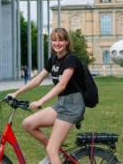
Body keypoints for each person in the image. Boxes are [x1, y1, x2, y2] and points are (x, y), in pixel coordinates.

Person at [7, 27, 85, 164]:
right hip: (61, 104)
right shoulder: (53, 60)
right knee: (28, 124)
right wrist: (16, 93)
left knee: (51, 150)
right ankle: (56, 152)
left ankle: (53, 152)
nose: (57, 43)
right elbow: (38, 79)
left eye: (61, 40)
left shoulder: (71, 59)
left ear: (67, 42)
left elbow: (61, 85)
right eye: (54, 40)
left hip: (73, 105)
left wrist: (40, 101)